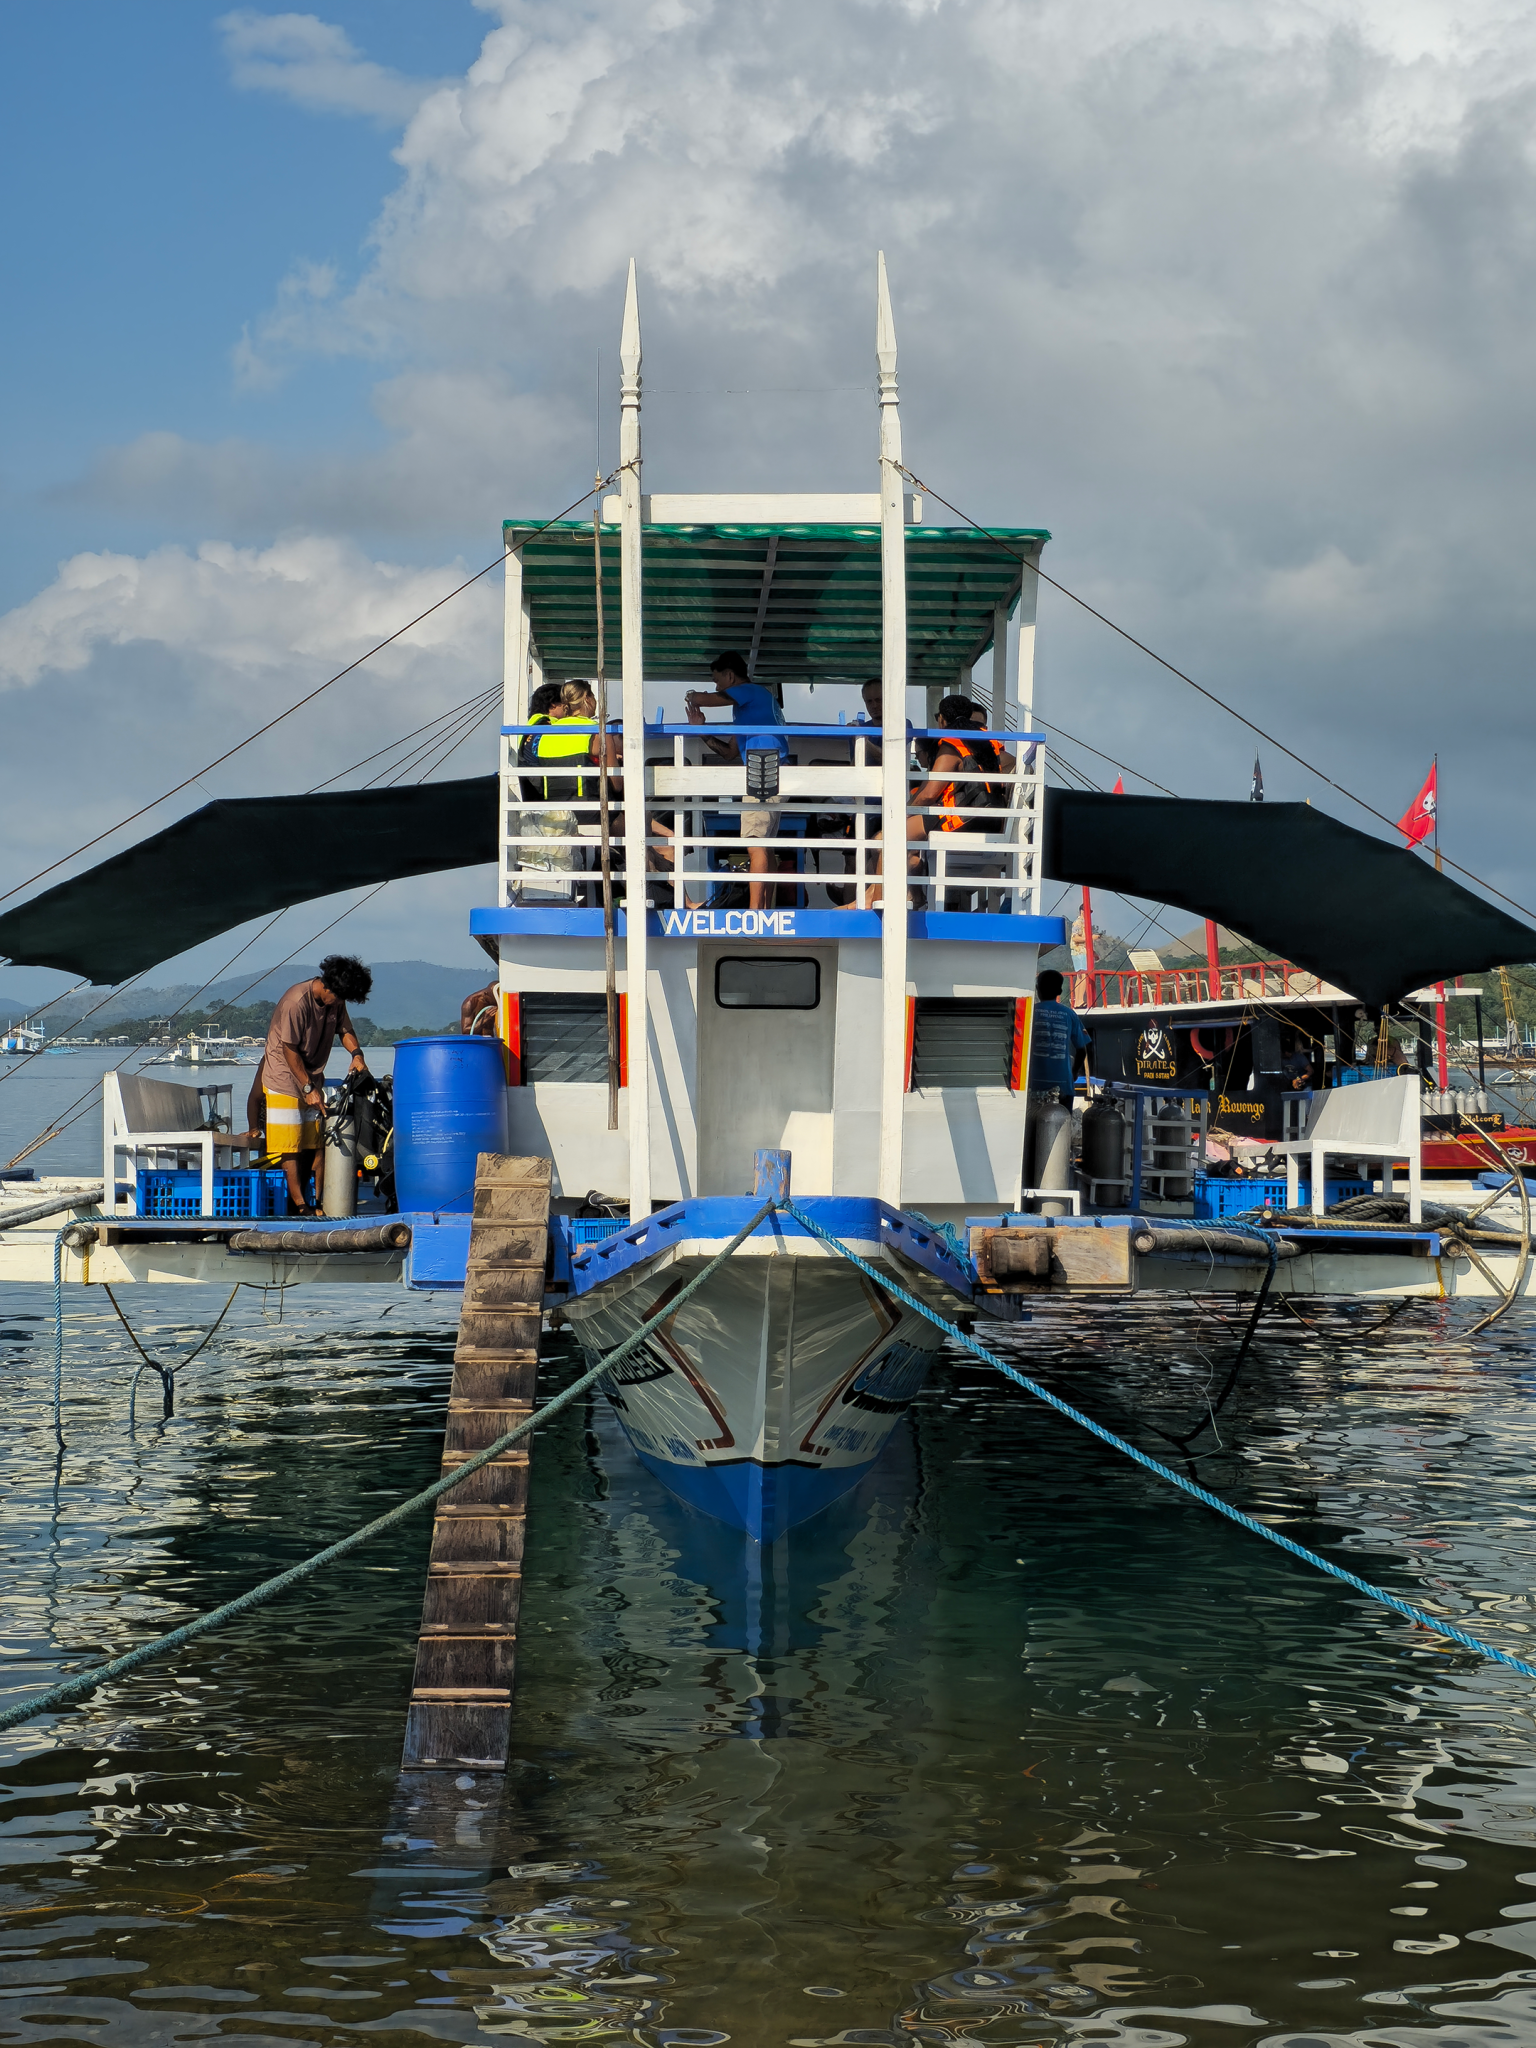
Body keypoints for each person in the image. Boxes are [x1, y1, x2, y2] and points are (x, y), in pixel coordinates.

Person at [863, 694, 1009, 907]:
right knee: (907, 845)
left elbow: (929, 794)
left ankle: (878, 901)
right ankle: (909, 895)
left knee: (887, 837)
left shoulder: (953, 744)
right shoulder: (989, 741)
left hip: (962, 819)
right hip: (988, 818)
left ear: (941, 719)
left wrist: (903, 813)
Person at [261, 954, 373, 1215]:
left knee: (315, 1142)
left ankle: (319, 1201)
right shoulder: (295, 1002)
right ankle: (299, 1205)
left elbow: (345, 1031)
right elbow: (289, 1050)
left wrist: (357, 1055)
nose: (341, 1003)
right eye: (340, 997)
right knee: (291, 1145)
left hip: (311, 1075)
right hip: (283, 1076)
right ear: (326, 987)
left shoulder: (336, 1001)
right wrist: (308, 1089)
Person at [684, 651, 790, 911]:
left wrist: (692, 695)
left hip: (764, 770)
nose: (716, 686)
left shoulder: (751, 691)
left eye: (717, 680)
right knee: (764, 844)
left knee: (755, 843)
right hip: (770, 769)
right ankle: (763, 908)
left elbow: (705, 699)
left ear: (730, 676)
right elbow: (730, 752)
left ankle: (756, 912)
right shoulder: (750, 708)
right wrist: (701, 730)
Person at [1030, 968, 1091, 1107]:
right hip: (1063, 1087)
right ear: (1060, 992)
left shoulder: (1030, 1012)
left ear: (1037, 989)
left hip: (1033, 1086)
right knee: (1062, 1126)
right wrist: (1074, 1073)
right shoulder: (1069, 1014)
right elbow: (1082, 1050)